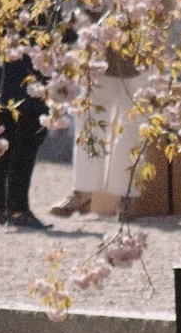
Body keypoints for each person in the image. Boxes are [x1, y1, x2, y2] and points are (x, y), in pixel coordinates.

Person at [0, 0, 51, 229]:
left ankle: (5, 207)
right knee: (23, 147)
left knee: (5, 146)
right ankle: (17, 208)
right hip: (22, 76)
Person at [49, 64, 148, 219]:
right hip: (101, 59)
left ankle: (126, 196)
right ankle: (82, 193)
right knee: (90, 124)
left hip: (142, 59)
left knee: (132, 129)